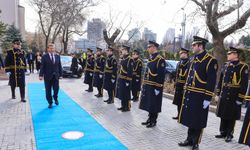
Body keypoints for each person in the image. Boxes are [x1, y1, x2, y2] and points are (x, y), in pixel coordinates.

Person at [178, 36, 218, 150]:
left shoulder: (210, 60)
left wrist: (207, 98)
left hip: (201, 95)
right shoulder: (193, 59)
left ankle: (196, 142)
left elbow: (211, 81)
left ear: (200, 46)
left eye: (194, 45)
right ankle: (189, 139)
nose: (192, 47)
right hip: (191, 93)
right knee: (191, 118)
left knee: (198, 120)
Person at [215, 47, 249, 142]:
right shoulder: (226, 65)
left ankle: (230, 134)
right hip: (225, 93)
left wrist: (240, 98)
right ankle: (223, 132)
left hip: (234, 95)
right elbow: (220, 80)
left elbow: (244, 84)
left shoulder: (243, 67)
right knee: (223, 114)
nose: (228, 55)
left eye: (230, 53)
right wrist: (218, 93)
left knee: (231, 116)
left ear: (236, 55)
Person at [139, 40, 166, 128]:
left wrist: (158, 88)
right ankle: (149, 119)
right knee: (149, 103)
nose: (148, 48)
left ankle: (153, 121)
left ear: (154, 47)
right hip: (148, 85)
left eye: (149, 47)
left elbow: (161, 75)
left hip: (155, 86)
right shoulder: (151, 59)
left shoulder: (160, 60)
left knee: (154, 104)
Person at [39, 43, 62, 108]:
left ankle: (55, 98)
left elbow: (59, 65)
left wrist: (61, 74)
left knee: (56, 89)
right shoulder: (44, 56)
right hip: (47, 76)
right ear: (48, 49)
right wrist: (41, 75)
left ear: (54, 49)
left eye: (53, 48)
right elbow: (42, 66)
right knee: (48, 90)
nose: (52, 49)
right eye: (50, 48)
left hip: (56, 76)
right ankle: (50, 102)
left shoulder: (57, 56)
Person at [172, 48, 190, 120]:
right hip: (178, 84)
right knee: (178, 101)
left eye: (181, 53)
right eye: (180, 53)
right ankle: (179, 114)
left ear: (185, 54)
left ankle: (184, 116)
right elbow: (176, 73)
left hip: (184, 85)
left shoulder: (189, 63)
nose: (180, 54)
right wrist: (175, 82)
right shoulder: (179, 62)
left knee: (184, 101)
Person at [116, 45, 134, 112]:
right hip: (121, 79)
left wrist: (128, 80)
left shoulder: (130, 59)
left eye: (123, 49)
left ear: (126, 50)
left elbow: (130, 71)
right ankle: (123, 106)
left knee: (126, 94)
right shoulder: (123, 59)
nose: (121, 50)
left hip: (126, 79)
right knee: (122, 93)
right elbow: (120, 69)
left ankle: (127, 107)